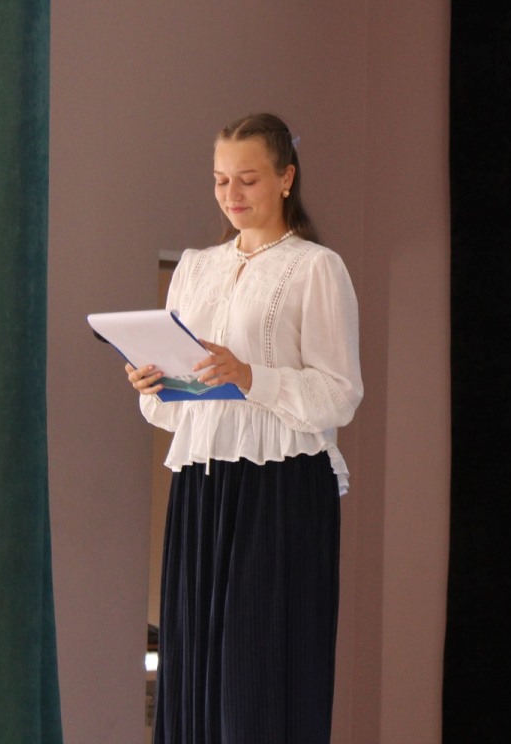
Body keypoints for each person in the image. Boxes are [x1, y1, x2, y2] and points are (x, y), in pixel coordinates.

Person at [128, 112, 362, 744]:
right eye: (220, 179)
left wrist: (250, 375)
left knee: (256, 676)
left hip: (282, 488)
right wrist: (155, 385)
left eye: (248, 179)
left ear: (286, 178)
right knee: (192, 665)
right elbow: (176, 408)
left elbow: (340, 395)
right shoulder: (194, 267)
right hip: (201, 483)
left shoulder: (317, 267)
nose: (231, 194)